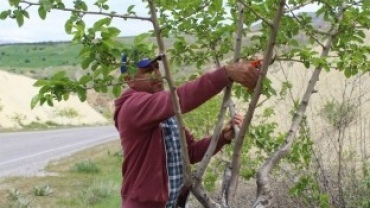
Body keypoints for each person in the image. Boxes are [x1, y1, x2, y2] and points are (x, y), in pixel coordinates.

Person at [114, 55, 259, 208]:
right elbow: (180, 98)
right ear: (129, 79)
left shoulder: (166, 113)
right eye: (148, 70)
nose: (158, 74)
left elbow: (190, 153)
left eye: (157, 67)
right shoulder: (132, 106)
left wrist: (223, 137)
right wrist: (226, 73)